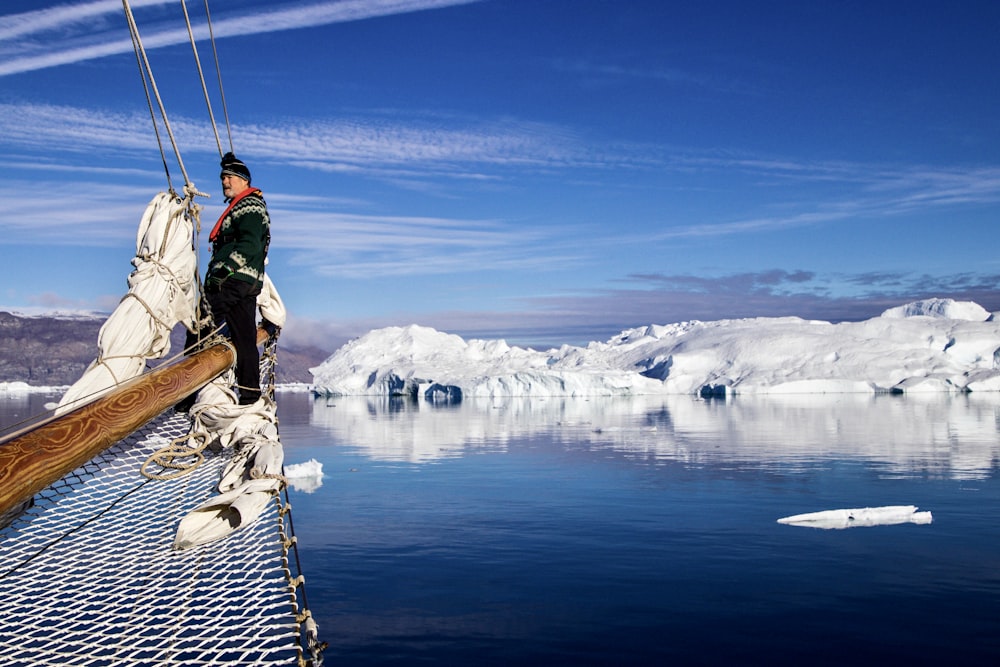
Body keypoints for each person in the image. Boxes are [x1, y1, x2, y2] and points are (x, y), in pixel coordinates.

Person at [184, 152, 271, 407]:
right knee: (245, 339)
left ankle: (187, 395)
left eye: (230, 177)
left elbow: (250, 243)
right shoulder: (249, 204)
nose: (225, 181)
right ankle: (249, 394)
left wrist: (225, 270)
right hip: (246, 282)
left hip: (232, 281)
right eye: (223, 177)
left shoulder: (249, 207)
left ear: (244, 181)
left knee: (198, 329)